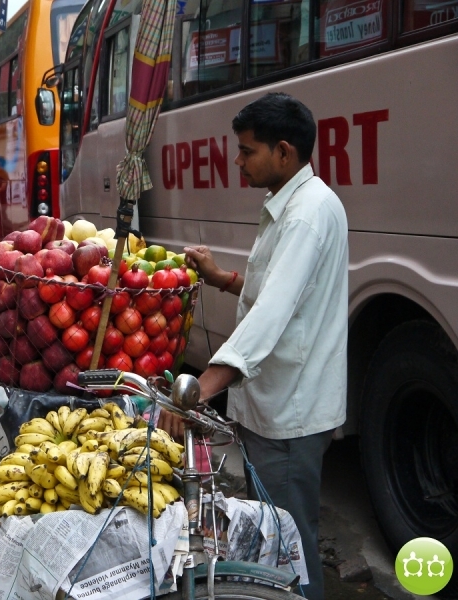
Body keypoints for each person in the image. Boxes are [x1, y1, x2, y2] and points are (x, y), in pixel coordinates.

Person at [160, 93, 348, 600]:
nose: (238, 162)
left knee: (289, 541)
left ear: (283, 152)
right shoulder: (292, 203)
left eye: (246, 151)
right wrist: (223, 278)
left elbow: (271, 315)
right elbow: (280, 292)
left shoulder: (307, 214)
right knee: (278, 531)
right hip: (277, 401)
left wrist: (200, 388)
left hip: (290, 409)